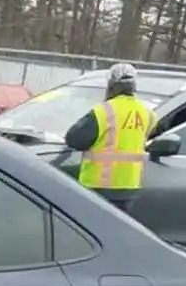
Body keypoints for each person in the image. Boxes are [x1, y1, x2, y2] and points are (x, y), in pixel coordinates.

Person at [64, 62, 155, 212]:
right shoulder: (147, 113)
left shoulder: (104, 111)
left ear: (112, 85)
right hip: (129, 187)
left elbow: (74, 139)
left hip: (98, 186)